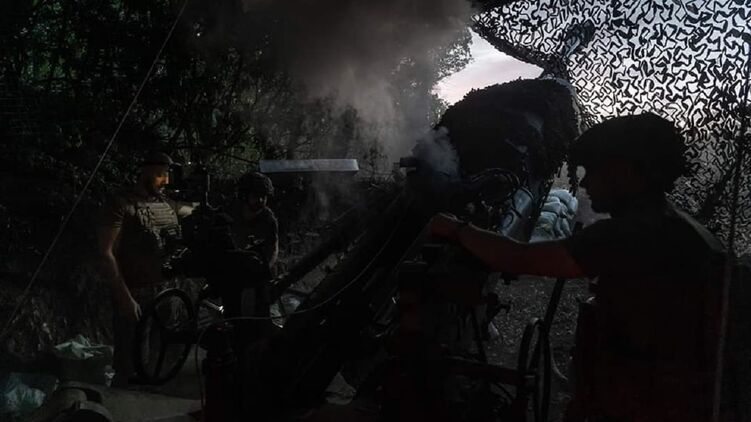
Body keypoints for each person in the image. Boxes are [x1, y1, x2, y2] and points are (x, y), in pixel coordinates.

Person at [429, 113, 725, 421]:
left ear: (624, 171)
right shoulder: (681, 228)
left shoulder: (632, 234)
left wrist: (457, 229)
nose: (584, 183)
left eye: (592, 171)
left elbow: (520, 258)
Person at [97, 152, 193, 386]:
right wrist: (124, 297)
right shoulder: (123, 204)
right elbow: (105, 253)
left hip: (168, 292)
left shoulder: (167, 204)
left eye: (167, 175)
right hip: (136, 293)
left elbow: (190, 213)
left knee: (162, 360)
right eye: (160, 174)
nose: (165, 181)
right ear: (145, 172)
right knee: (130, 364)